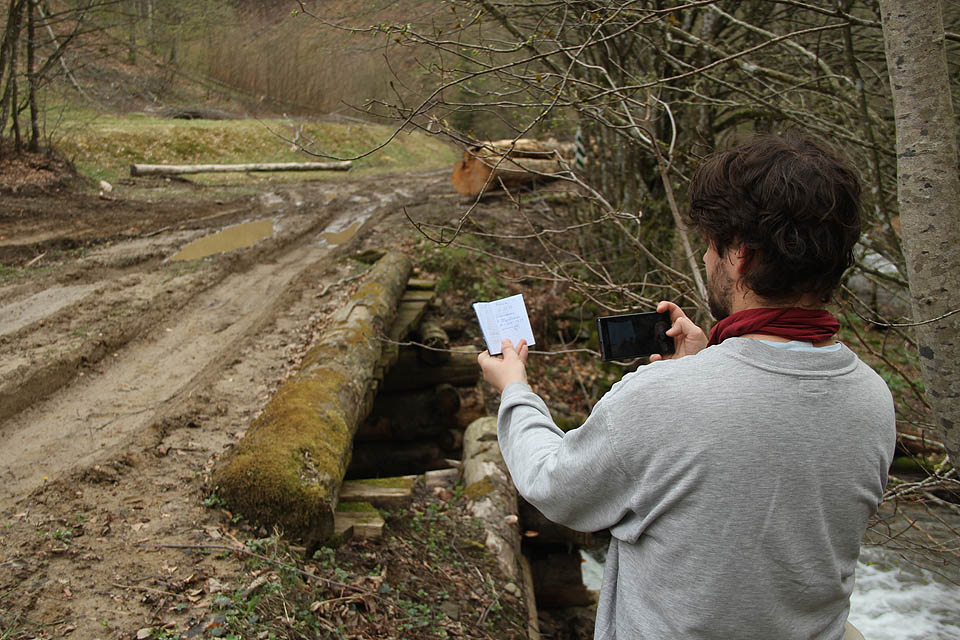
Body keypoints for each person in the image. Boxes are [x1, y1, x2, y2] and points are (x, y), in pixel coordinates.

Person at [478, 133, 896, 640]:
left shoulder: (660, 397)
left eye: (710, 245)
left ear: (740, 255)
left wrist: (515, 390)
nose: (705, 259)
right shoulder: (873, 398)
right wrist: (708, 363)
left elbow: (552, 485)